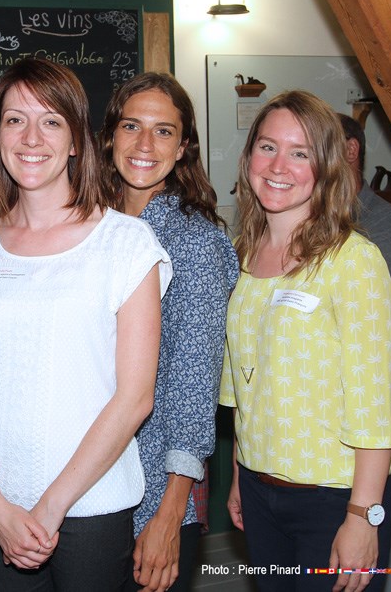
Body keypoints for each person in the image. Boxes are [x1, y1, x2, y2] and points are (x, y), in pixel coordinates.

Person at [0, 57, 171, 591]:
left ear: (75, 141)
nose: (31, 136)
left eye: (51, 120)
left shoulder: (126, 245)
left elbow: (135, 397)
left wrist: (51, 507)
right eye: (15, 120)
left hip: (91, 505)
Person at [220, 91, 391, 592]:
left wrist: (364, 516)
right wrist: (239, 474)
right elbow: (242, 385)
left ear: (327, 167)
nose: (279, 166)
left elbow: (375, 405)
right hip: (259, 489)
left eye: (300, 153)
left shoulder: (353, 262)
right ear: (248, 157)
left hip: (336, 497)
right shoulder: (242, 256)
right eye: (267, 147)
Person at [99, 73, 238, 592]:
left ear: (183, 148)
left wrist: (168, 514)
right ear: (110, 134)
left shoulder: (195, 244)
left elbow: (193, 389)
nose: (143, 144)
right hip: (82, 485)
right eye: (132, 126)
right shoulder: (87, 226)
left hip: (151, 492)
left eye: (163, 132)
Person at [338, 114, 391, 332]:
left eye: (321, 145)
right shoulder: (308, 217)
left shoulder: (388, 222)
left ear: (351, 150)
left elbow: (359, 312)